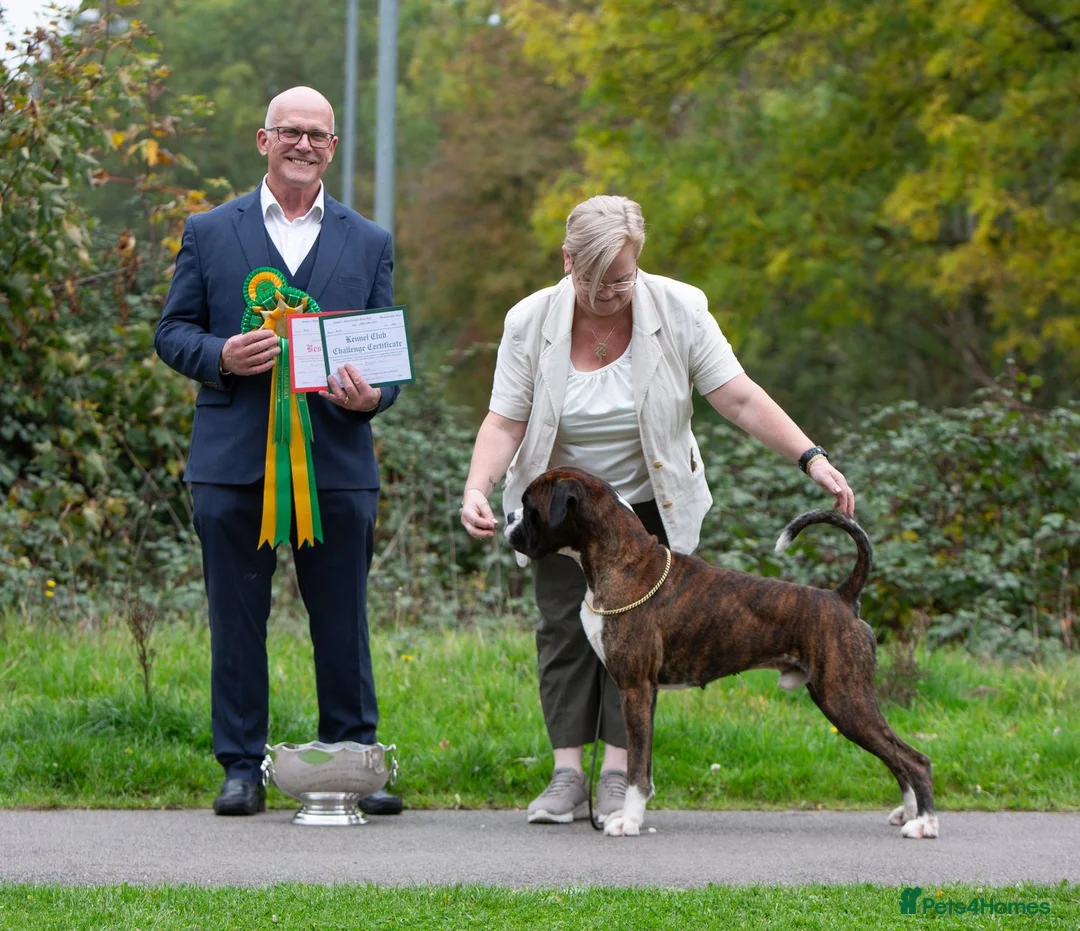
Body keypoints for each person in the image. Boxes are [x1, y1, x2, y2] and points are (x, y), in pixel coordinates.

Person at [460, 195, 855, 825]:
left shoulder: (681, 308)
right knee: (563, 631)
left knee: (637, 641)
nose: (612, 292)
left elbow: (740, 398)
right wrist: (476, 487)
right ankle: (567, 778)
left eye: (624, 277)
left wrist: (810, 456)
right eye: (595, 280)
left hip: (649, 501)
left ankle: (620, 777)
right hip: (561, 510)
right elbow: (505, 419)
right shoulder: (528, 321)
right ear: (567, 263)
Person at [155, 86, 402, 816]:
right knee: (235, 620)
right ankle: (240, 764)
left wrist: (373, 397)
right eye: (289, 131)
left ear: (332, 147)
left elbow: (384, 357)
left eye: (317, 135)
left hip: (339, 463)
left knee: (344, 619)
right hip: (232, 463)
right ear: (263, 140)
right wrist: (223, 354)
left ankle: (356, 760)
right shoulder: (208, 230)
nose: (303, 144)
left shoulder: (370, 241)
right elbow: (172, 333)